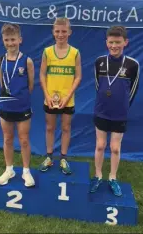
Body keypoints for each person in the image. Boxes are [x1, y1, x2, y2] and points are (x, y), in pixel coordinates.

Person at [90, 26, 140, 196]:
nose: (114, 45)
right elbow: (98, 86)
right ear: (106, 43)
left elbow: (133, 90)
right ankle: (97, 175)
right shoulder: (99, 62)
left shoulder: (133, 65)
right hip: (101, 111)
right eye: (111, 42)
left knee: (115, 148)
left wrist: (123, 106)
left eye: (118, 42)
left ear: (125, 42)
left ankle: (112, 177)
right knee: (100, 145)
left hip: (120, 114)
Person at [39, 17, 82, 174]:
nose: (60, 34)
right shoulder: (47, 52)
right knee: (50, 127)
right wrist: (47, 95)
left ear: (69, 32)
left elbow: (78, 76)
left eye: (64, 31)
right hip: (50, 99)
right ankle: (49, 157)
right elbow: (42, 75)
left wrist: (68, 96)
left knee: (66, 128)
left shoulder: (75, 53)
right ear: (53, 32)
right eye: (57, 31)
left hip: (67, 100)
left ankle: (63, 158)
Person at [0, 23, 35, 187]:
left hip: (22, 107)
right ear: (3, 40)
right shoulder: (0, 60)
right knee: (7, 139)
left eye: (13, 39)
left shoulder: (27, 61)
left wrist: (20, 97)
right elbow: (2, 83)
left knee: (24, 140)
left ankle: (26, 171)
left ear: (20, 39)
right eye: (7, 40)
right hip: (5, 107)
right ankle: (9, 169)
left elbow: (31, 85)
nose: (10, 43)